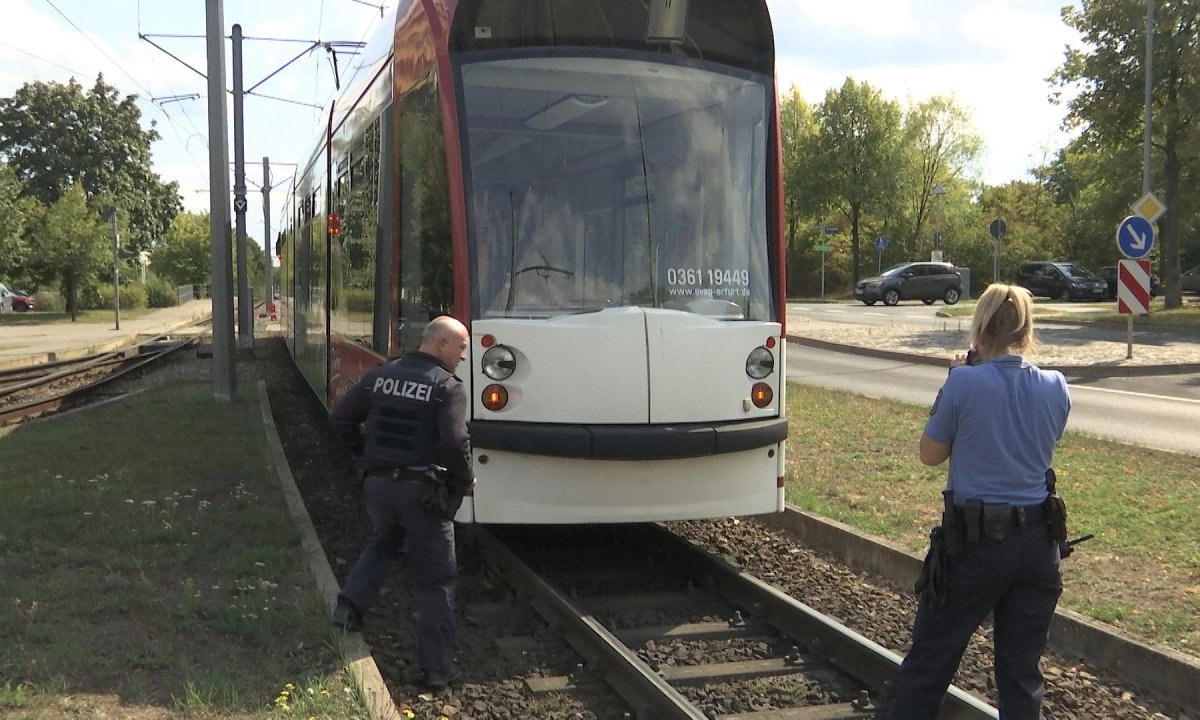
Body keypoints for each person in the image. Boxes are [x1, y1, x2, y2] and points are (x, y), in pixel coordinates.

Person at [889, 283, 1072, 719]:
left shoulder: (964, 383)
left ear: (979, 330)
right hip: (1038, 546)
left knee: (929, 664)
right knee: (1021, 674)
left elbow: (929, 455)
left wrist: (953, 379)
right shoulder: (1056, 385)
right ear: (1027, 330)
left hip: (975, 547)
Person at [329, 315, 473, 692]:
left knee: (383, 544)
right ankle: (436, 669)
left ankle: (348, 609)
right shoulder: (447, 386)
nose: (463, 355)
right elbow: (455, 443)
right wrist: (464, 480)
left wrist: (368, 459)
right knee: (437, 580)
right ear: (440, 343)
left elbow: (342, 419)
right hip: (422, 492)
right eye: (460, 347)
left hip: (379, 486)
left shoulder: (381, 375)